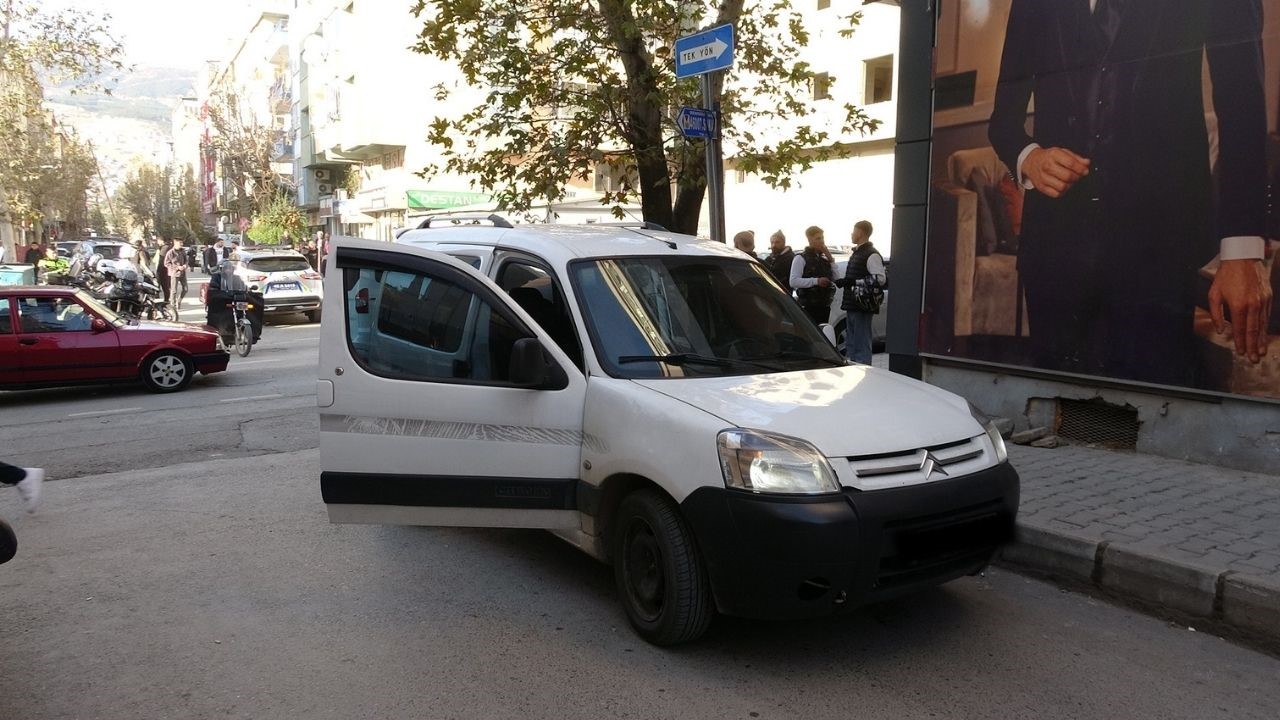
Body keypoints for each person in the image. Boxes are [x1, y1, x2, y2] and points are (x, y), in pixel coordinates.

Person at [988, 0, 1272, 386]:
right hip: (1054, 252)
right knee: (1059, 421)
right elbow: (1003, 122)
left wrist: (1242, 251)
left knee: (1150, 419)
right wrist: (1029, 158)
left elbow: (1242, 102)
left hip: (1159, 251)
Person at [834, 220, 886, 364]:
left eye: (854, 230)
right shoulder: (859, 253)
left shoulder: (871, 254)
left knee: (861, 344)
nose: (852, 233)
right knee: (852, 343)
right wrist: (846, 281)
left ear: (861, 233)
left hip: (862, 305)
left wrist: (854, 282)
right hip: (853, 304)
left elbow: (880, 278)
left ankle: (864, 372)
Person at [789, 225, 836, 326]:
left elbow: (837, 278)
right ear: (809, 239)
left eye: (822, 238)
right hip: (808, 306)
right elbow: (793, 281)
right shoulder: (800, 258)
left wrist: (831, 259)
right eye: (818, 238)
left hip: (824, 306)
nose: (822, 241)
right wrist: (816, 281)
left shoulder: (824, 260)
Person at [164, 238, 189, 313]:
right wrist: (177, 267)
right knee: (174, 290)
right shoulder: (170, 252)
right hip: (174, 273)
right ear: (175, 243)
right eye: (180, 243)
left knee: (185, 289)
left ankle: (179, 301)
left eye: (182, 243)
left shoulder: (182, 251)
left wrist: (185, 266)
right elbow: (166, 263)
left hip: (182, 273)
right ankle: (173, 305)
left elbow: (186, 260)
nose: (182, 245)